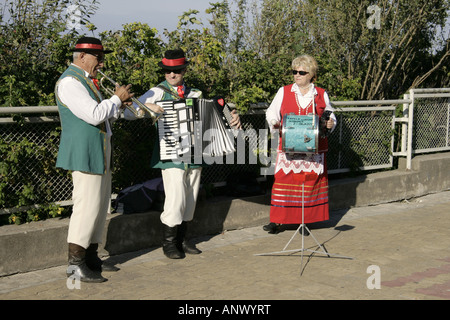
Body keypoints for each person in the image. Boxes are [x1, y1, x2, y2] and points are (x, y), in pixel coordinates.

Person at [131, 49, 241, 259]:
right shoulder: (156, 92)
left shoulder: (196, 94)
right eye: (167, 71)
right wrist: (147, 107)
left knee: (190, 197)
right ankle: (169, 243)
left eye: (177, 70)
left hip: (195, 153)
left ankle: (182, 238)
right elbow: (129, 111)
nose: (172, 75)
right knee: (176, 198)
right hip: (170, 152)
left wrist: (233, 117)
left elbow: (216, 118)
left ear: (184, 70)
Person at [55, 36, 135, 282]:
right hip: (84, 151)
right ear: (82, 57)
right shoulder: (70, 82)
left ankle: (90, 258)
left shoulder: (87, 81)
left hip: (99, 150)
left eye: (101, 58)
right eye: (98, 58)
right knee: (85, 208)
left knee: (99, 207)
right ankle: (75, 266)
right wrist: (116, 99)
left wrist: (119, 107)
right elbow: (93, 114)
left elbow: (104, 115)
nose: (101, 63)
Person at [264, 54, 337, 234]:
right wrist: (274, 122)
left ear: (311, 74)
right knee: (284, 181)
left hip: (313, 148)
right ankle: (278, 220)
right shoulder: (284, 91)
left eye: (301, 72)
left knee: (309, 183)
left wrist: (330, 123)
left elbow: (331, 116)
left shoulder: (321, 94)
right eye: (294, 71)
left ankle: (304, 221)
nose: (297, 75)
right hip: (289, 146)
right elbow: (271, 112)